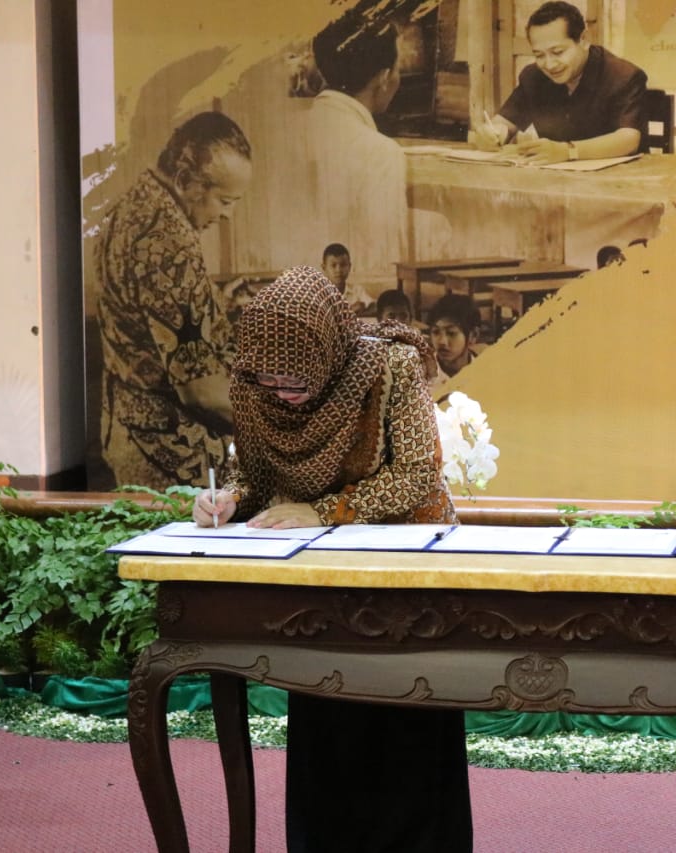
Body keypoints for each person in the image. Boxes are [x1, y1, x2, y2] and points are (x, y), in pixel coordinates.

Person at [192, 266, 472, 852]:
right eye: (269, 381)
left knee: (410, 714)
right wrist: (231, 497)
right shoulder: (256, 383)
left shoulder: (389, 365)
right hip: (320, 572)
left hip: (407, 564)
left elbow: (417, 474)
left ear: (325, 353)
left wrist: (325, 510)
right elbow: (254, 471)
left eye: (295, 381)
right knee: (327, 705)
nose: (281, 393)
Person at [96, 111, 252, 489]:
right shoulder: (167, 239)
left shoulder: (131, 206)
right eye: (225, 200)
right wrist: (286, 432)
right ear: (183, 181)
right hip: (166, 453)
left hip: (128, 431)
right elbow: (201, 391)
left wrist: (217, 305)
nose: (228, 216)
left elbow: (148, 320)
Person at [470, 1, 647, 165]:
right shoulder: (534, 76)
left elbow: (628, 139)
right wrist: (492, 133)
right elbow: (503, 122)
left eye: (558, 52)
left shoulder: (623, 76)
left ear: (584, 40)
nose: (549, 65)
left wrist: (567, 151)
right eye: (539, 55)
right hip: (554, 179)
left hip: (614, 180)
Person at [309, 7, 407, 289]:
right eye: (398, 68)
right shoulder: (380, 152)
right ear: (383, 77)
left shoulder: (291, 129)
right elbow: (382, 263)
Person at [427, 293, 481, 382]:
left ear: (473, 335)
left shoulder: (486, 374)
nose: (442, 341)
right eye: (436, 332)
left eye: (451, 333)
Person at [322, 242, 373, 314]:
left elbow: (374, 306)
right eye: (333, 265)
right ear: (324, 268)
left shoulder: (357, 291)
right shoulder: (318, 295)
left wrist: (363, 306)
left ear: (349, 266)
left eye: (343, 265)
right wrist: (348, 310)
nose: (338, 270)